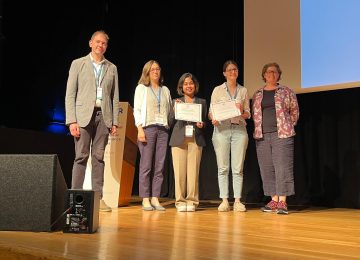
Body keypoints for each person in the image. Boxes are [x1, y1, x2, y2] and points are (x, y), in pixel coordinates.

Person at [65, 30, 119, 212]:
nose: (100, 45)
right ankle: (75, 197)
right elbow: (70, 94)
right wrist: (71, 120)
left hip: (103, 117)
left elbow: (115, 97)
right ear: (90, 43)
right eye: (97, 42)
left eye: (103, 43)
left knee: (98, 157)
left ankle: (98, 198)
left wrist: (115, 122)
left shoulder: (112, 67)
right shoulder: (78, 64)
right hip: (82, 116)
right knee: (81, 156)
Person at [252, 62, 299, 215]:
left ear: (279, 75)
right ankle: (273, 200)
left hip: (282, 134)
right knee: (267, 168)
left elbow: (294, 112)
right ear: (264, 75)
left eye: (275, 72)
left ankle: (282, 202)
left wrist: (287, 126)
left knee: (282, 167)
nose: (271, 74)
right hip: (262, 135)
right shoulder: (258, 93)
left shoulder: (286, 91)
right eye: (268, 72)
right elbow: (255, 114)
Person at [209, 60, 250, 212]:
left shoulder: (243, 90)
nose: (233, 72)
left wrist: (241, 112)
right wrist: (213, 117)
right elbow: (211, 112)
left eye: (235, 69)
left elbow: (248, 114)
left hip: (239, 130)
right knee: (223, 167)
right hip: (221, 130)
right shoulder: (217, 90)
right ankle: (225, 200)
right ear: (224, 73)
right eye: (230, 70)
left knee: (238, 168)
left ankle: (238, 201)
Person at [133, 60, 173, 211]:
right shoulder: (141, 89)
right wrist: (139, 129)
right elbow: (136, 110)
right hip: (147, 128)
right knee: (146, 165)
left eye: (158, 69)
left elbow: (169, 111)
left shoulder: (166, 90)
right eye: (152, 69)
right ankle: (145, 198)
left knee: (160, 165)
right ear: (147, 72)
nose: (156, 72)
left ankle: (155, 197)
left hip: (163, 129)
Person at [169, 73, 207, 212]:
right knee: (179, 172)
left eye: (191, 83)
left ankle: (192, 201)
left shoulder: (201, 102)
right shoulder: (176, 102)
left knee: (193, 173)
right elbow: (169, 122)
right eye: (185, 84)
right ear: (181, 87)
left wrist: (202, 124)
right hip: (179, 139)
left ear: (195, 85)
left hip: (195, 139)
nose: (188, 86)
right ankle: (180, 201)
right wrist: (174, 110)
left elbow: (204, 122)